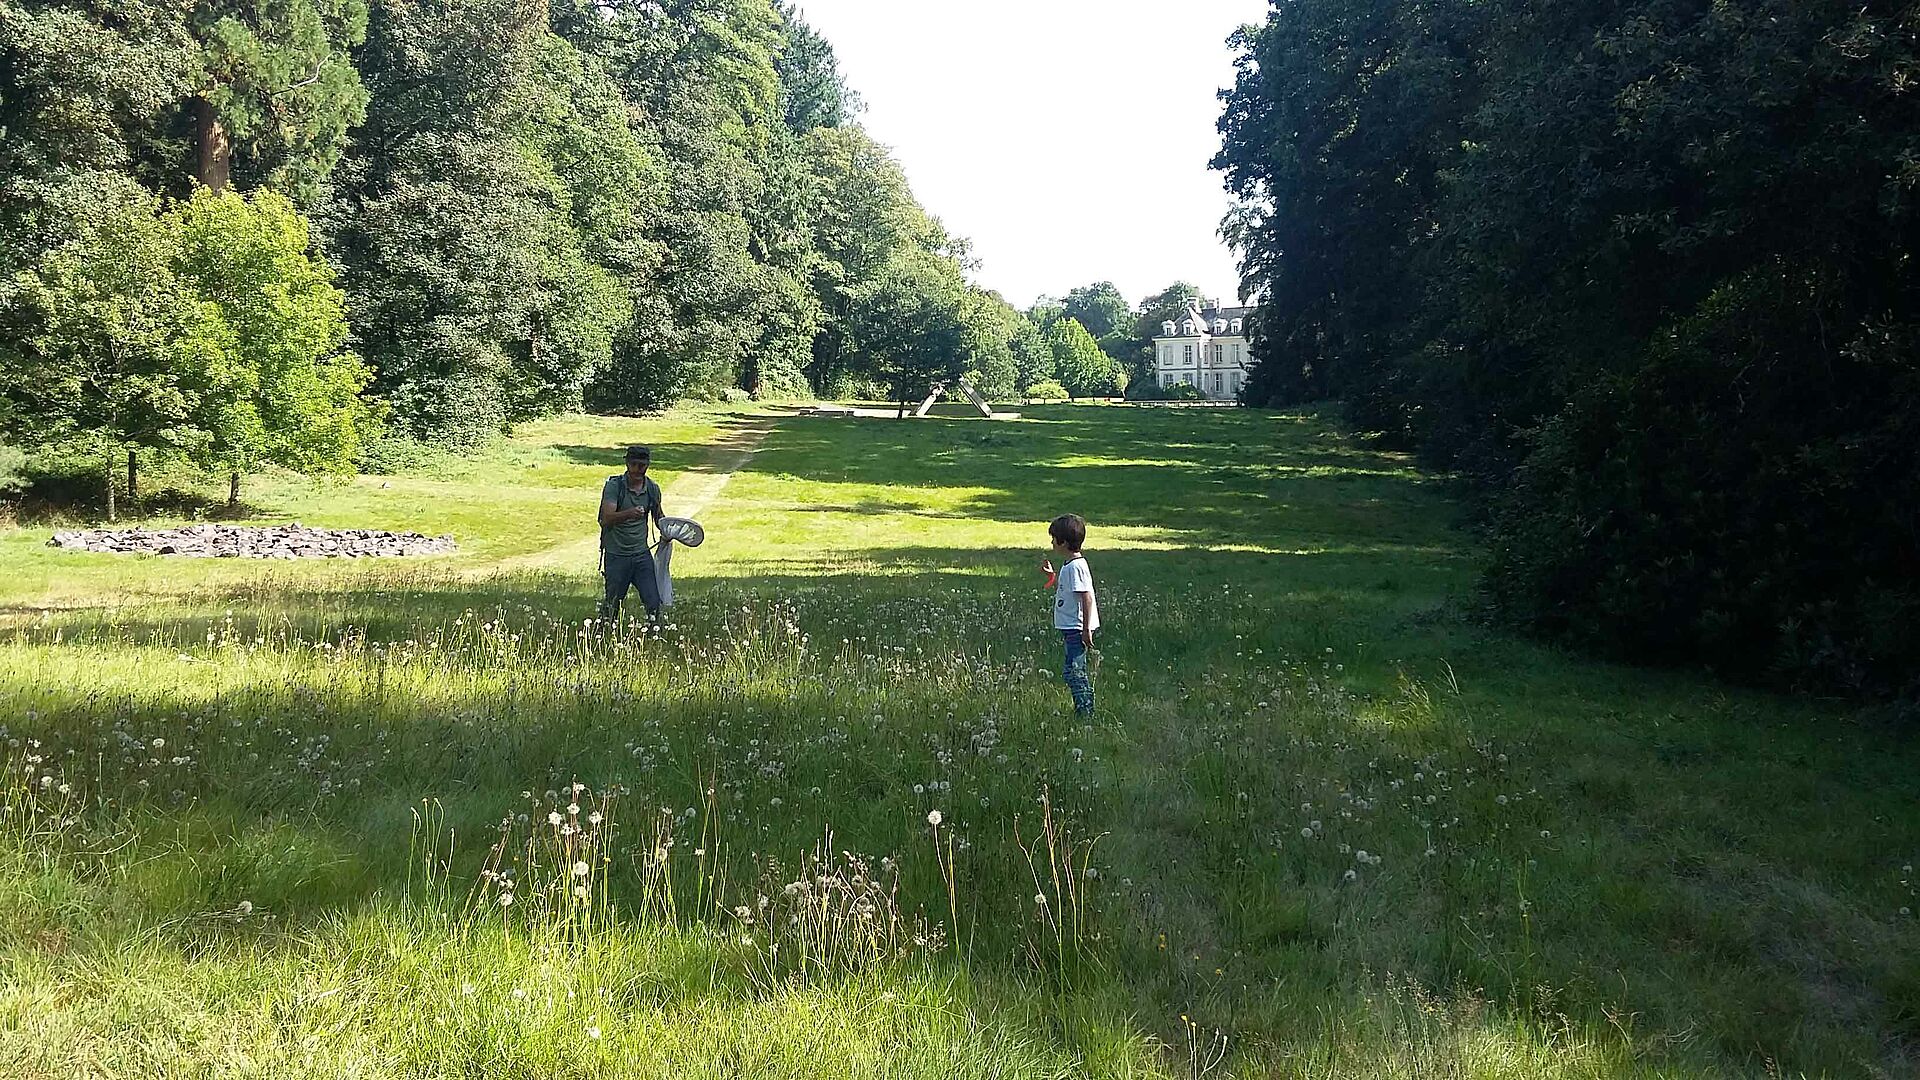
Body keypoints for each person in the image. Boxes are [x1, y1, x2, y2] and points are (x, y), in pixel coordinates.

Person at [598, 445, 666, 623]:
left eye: (642, 465)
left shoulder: (652, 488)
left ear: (648, 465)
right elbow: (605, 518)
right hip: (616, 555)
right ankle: (603, 637)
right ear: (627, 464)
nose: (638, 469)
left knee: (653, 601)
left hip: (642, 555)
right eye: (634, 464)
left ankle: (654, 636)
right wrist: (629, 513)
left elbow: (659, 517)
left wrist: (669, 530)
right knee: (612, 604)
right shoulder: (615, 487)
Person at [1041, 513, 1100, 717]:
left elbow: (1087, 597)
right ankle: (1083, 708)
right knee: (1072, 671)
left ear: (1063, 542)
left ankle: (1085, 712)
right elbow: (1066, 590)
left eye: (1053, 538)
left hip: (1077, 628)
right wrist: (1052, 577)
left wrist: (1086, 630)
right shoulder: (1069, 565)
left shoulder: (1077, 567)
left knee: (1074, 672)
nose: (1052, 542)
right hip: (1071, 627)